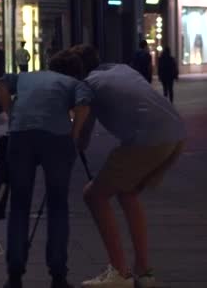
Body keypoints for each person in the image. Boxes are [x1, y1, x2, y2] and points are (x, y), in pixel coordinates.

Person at [61, 45, 186, 288]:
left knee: (93, 195)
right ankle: (143, 271)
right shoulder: (121, 69)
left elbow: (82, 135)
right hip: (176, 135)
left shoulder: (87, 85)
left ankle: (119, 272)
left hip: (147, 139)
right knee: (127, 194)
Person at [0, 50, 92, 288]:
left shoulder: (27, 77)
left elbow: (0, 86)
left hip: (20, 136)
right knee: (58, 204)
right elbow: (84, 105)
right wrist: (75, 134)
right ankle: (58, 274)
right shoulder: (74, 83)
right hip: (57, 140)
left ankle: (15, 274)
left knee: (19, 204)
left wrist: (12, 115)